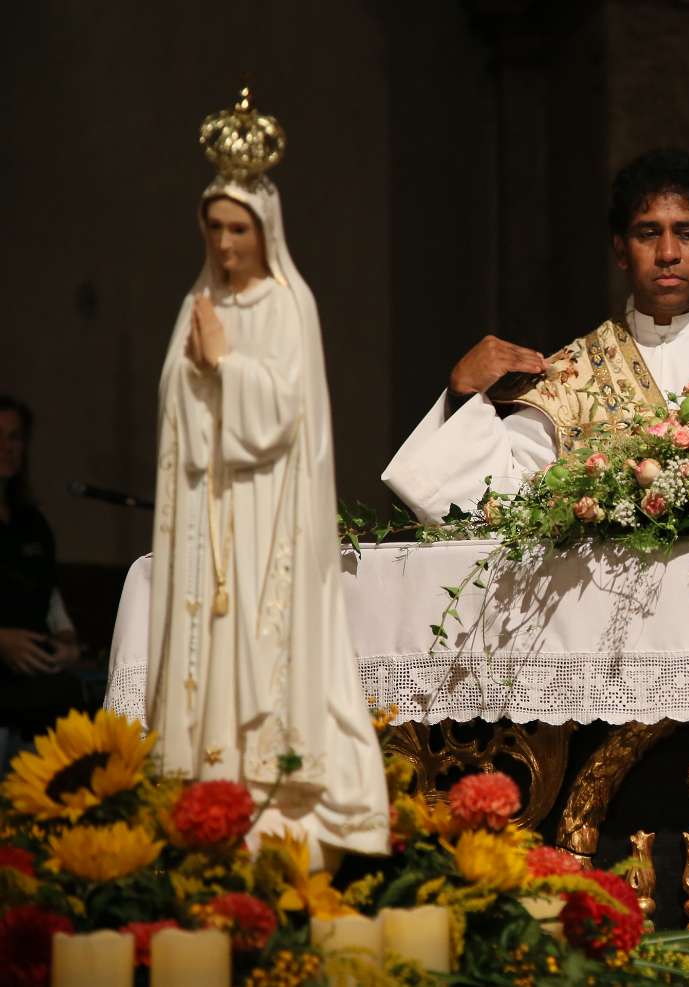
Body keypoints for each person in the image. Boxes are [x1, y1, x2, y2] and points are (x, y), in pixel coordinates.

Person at [143, 91, 387, 858]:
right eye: (213, 227)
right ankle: (212, 783)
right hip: (213, 510)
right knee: (214, 640)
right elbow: (176, 401)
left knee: (259, 635)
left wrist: (225, 365)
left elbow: (281, 414)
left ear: (263, 230)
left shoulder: (289, 305)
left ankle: (276, 789)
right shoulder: (199, 299)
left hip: (268, 511)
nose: (224, 244)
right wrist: (197, 374)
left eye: (238, 228)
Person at [384, 148, 689, 522]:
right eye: (648, 233)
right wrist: (462, 392)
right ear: (621, 250)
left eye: (687, 233)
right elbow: (490, 506)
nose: (668, 253)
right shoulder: (568, 380)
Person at [0, 395, 86, 742]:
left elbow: (50, 597)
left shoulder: (33, 522)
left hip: (36, 678)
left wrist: (66, 640)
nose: (6, 447)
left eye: (14, 437)